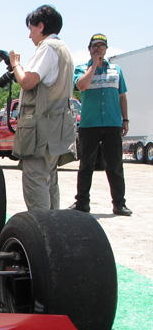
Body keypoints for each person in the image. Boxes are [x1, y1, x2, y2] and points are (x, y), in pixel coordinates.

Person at [9, 5, 76, 211]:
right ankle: (53, 228)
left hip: (42, 130)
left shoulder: (47, 48)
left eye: (31, 29)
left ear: (41, 26)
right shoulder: (64, 49)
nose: (30, 35)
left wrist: (15, 64)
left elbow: (28, 81)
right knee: (49, 180)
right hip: (57, 127)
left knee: (35, 179)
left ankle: (42, 232)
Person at [69, 33, 132, 216]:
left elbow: (122, 96)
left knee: (114, 165)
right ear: (89, 49)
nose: (98, 49)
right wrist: (94, 65)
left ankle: (119, 204)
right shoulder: (82, 69)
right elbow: (81, 86)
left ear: (106, 49)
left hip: (112, 123)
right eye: (94, 46)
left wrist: (125, 119)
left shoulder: (116, 70)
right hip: (90, 124)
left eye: (101, 46)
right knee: (86, 164)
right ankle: (82, 203)